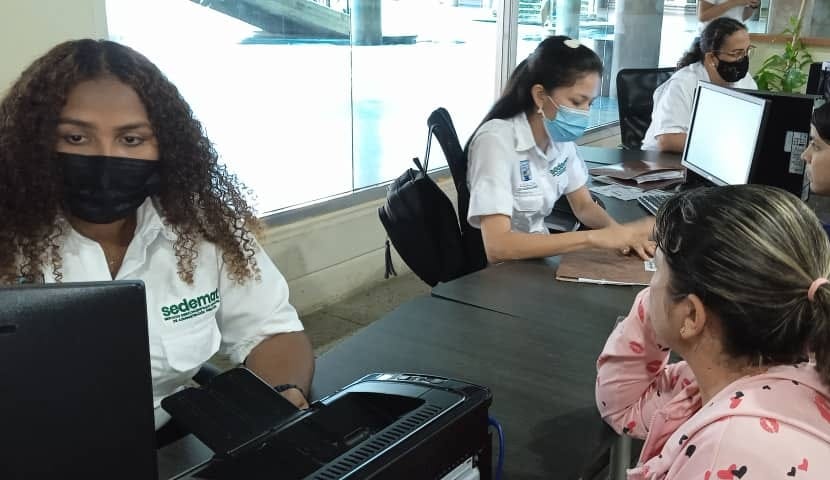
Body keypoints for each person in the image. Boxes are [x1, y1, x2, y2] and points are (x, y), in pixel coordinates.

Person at [0, 39, 314, 436]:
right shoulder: (9, 237)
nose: (106, 158)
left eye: (131, 140)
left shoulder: (204, 227)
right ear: (34, 141)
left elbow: (271, 330)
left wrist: (281, 394)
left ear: (166, 146)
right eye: (76, 138)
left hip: (165, 442)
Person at [596, 184, 830, 478]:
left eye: (656, 269)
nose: (649, 286)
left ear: (692, 315)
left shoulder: (722, 455)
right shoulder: (792, 373)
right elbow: (623, 408)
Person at [466, 35, 655, 263]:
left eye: (590, 103)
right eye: (577, 102)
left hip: (538, 258)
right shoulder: (496, 141)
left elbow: (583, 205)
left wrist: (620, 235)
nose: (584, 113)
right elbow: (498, 247)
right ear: (540, 96)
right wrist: (593, 238)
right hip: (504, 269)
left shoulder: (559, 137)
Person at [642, 18, 757, 153]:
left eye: (747, 51)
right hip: (663, 160)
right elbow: (668, 140)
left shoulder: (745, 80)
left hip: (713, 158)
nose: (743, 60)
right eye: (736, 53)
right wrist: (724, 145)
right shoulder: (684, 82)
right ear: (711, 58)